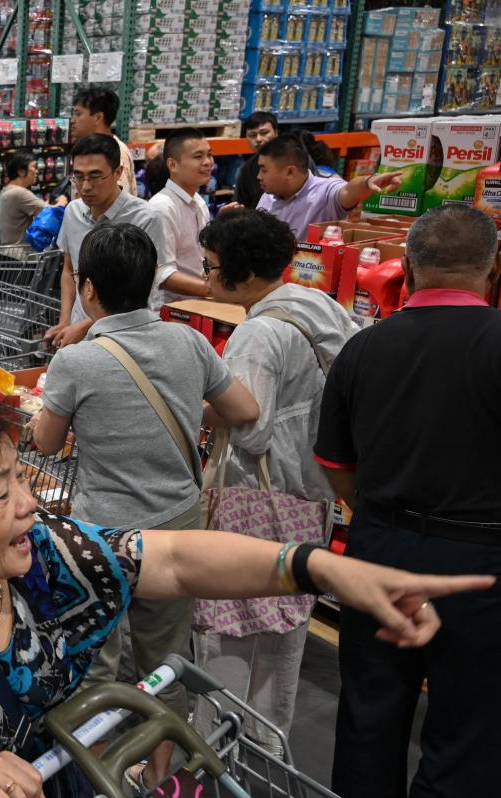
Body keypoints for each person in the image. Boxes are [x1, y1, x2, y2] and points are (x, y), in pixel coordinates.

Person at [0, 396, 494, 798]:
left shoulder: (38, 556)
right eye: (1, 489)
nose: (28, 502)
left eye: (21, 476)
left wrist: (318, 568)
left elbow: (174, 558)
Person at [29, 222, 258, 788]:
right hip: (176, 527)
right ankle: (160, 777)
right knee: (166, 657)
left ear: (88, 290)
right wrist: (184, 410)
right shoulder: (189, 342)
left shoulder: (78, 361)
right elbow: (244, 409)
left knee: (96, 662)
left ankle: (98, 775)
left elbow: (47, 443)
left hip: (102, 535)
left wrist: (45, 416)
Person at [314, 205, 501, 798]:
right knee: (469, 728)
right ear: (492, 269)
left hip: (379, 549)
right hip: (482, 565)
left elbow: (335, 463)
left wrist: (374, 510)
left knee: (370, 713)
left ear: (409, 271)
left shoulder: (364, 347)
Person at [192, 208, 358, 755]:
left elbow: (252, 428)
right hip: (312, 495)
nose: (208, 276)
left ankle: (216, 754)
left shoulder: (258, 331)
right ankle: (270, 749)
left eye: (213, 267)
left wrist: (204, 407)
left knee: (228, 629)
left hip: (257, 495)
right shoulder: (317, 305)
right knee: (285, 633)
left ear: (243, 274)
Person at [46, 134, 168, 349]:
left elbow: (138, 289)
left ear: (118, 172)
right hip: (78, 337)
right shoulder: (73, 212)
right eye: (78, 176)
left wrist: (84, 327)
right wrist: (65, 321)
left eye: (95, 177)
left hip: (126, 336)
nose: (85, 187)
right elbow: (69, 269)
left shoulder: (146, 218)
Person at [255, 135, 403, 239]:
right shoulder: (268, 194)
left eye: (264, 170)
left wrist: (369, 181)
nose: (258, 176)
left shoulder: (324, 192)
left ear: (290, 172)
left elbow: (348, 190)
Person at [148, 128, 214, 309]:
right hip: (170, 313)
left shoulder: (198, 202)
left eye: (209, 155)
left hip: (198, 304)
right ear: (172, 165)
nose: (207, 162)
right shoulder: (162, 207)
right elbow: (163, 273)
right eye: (198, 156)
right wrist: (213, 290)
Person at [70, 86, 137, 196]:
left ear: (98, 117)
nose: (72, 120)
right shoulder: (84, 149)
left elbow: (117, 203)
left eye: (78, 114)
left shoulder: (117, 153)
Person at [0, 150, 67, 248]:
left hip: (10, 254)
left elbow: (42, 208)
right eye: (34, 167)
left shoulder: (6, 190)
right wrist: (62, 202)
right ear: (21, 171)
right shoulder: (19, 193)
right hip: (20, 256)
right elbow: (50, 213)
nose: (37, 171)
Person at [233, 111, 278, 209]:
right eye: (252, 135)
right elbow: (240, 206)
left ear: (276, 133)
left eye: (264, 133)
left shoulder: (295, 159)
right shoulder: (246, 170)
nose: (258, 139)